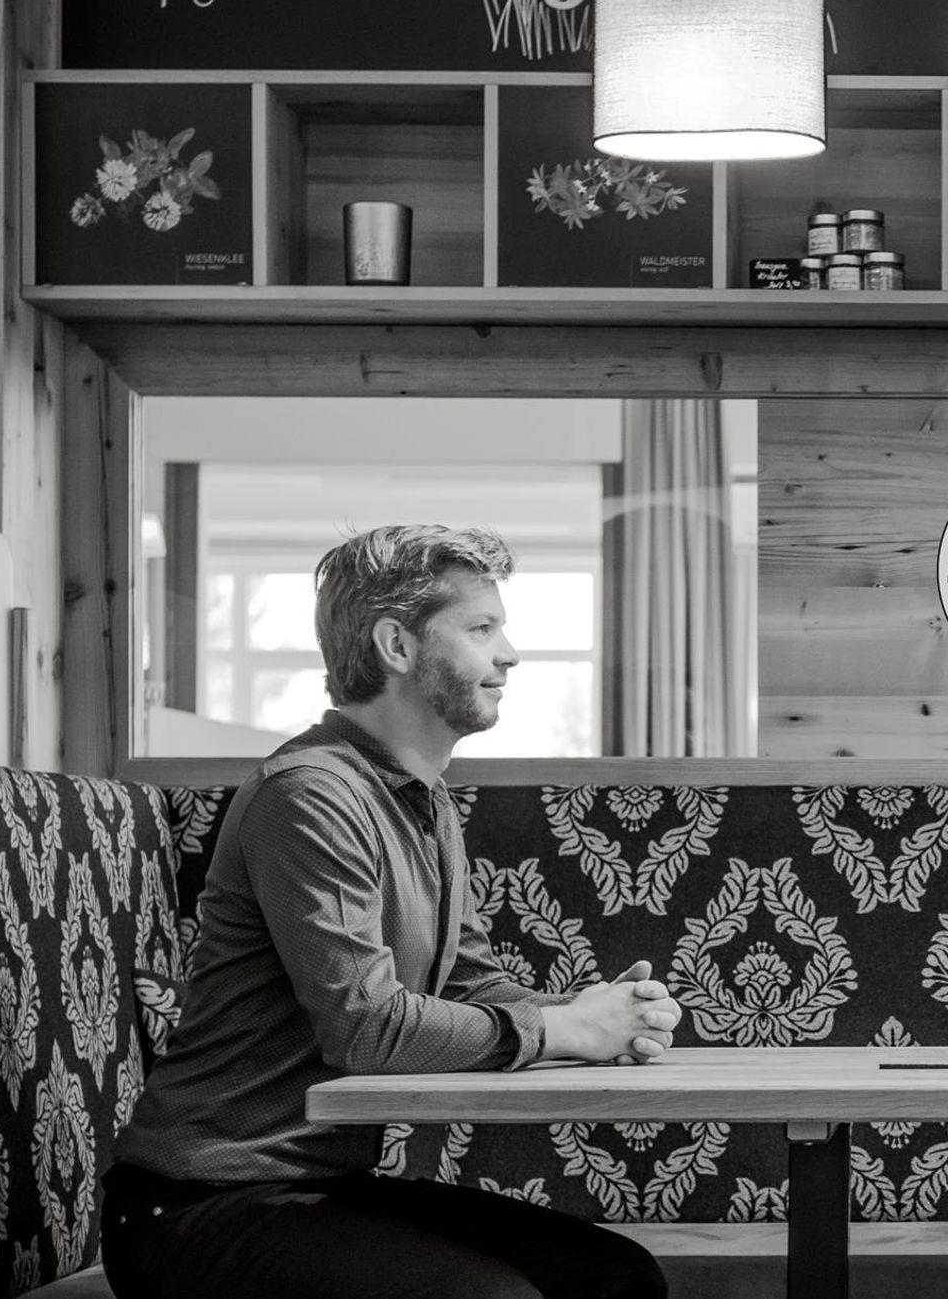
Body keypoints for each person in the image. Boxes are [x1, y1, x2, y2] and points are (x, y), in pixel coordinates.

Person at [106, 525, 672, 1299]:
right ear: (397, 645)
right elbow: (366, 1029)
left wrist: (599, 1015)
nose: (509, 654)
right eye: (482, 629)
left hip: (320, 1187)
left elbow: (470, 985)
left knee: (616, 1277)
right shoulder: (310, 795)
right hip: (195, 1205)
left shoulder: (421, 800)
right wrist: (566, 1031)